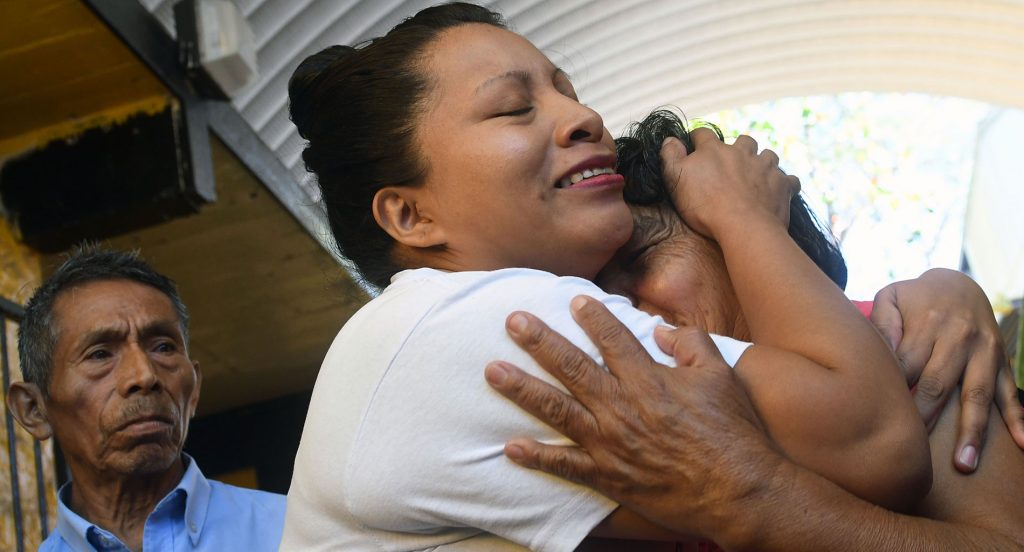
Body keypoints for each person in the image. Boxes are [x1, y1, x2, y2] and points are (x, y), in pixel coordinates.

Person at [281, 3, 933, 550]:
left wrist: (936, 294)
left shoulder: (416, 334)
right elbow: (875, 441)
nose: (583, 116)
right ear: (410, 214)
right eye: (513, 108)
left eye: (565, 90)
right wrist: (743, 212)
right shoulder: (481, 317)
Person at [482, 110, 1024, 549]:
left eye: (643, 257)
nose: (620, 307)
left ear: (735, 231)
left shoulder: (909, 344)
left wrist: (758, 503)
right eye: (595, 291)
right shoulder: (621, 419)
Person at [5, 247, 286, 552]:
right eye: (100, 354)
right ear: (33, 409)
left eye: (163, 347)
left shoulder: (292, 533)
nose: (144, 375)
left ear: (193, 391)